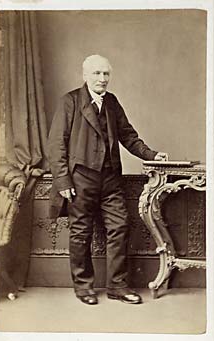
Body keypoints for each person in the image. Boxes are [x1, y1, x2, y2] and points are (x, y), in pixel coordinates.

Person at [47, 54, 168, 305]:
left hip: (111, 179)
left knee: (120, 227)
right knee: (81, 232)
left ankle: (117, 286)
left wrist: (153, 155)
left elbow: (128, 136)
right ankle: (83, 287)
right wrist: (63, 182)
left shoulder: (111, 102)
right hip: (81, 178)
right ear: (85, 76)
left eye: (106, 74)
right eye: (97, 73)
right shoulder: (70, 101)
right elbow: (56, 145)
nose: (102, 79)